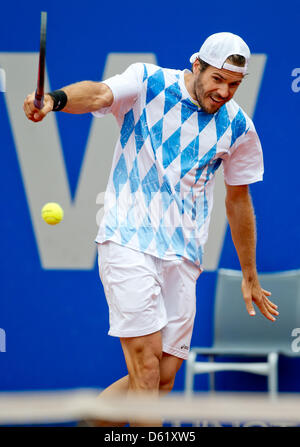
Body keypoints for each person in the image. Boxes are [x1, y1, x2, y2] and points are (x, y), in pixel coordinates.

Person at [23, 32, 279, 426]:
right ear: (197, 65)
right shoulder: (147, 82)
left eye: (234, 84)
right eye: (217, 80)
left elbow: (238, 200)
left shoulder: (238, 127)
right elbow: (98, 95)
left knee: (162, 376)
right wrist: (55, 101)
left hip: (184, 255)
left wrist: (250, 273)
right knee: (145, 365)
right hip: (128, 240)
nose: (225, 91)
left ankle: (92, 423)